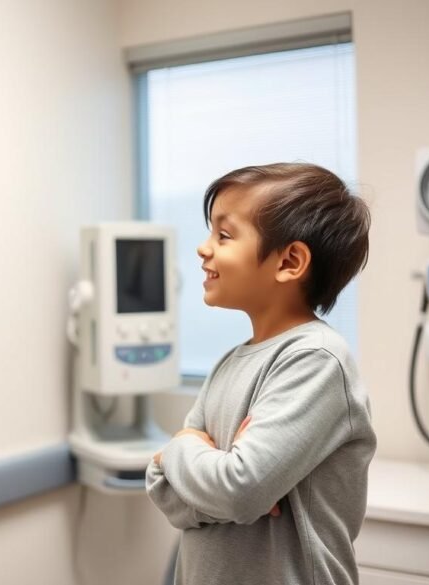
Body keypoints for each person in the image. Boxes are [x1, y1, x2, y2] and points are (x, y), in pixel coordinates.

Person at [147, 163, 376, 585]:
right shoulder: (229, 364)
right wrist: (214, 484)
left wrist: (178, 450)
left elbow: (239, 489)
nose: (203, 249)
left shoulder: (317, 361)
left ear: (289, 261)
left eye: (224, 235)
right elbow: (164, 491)